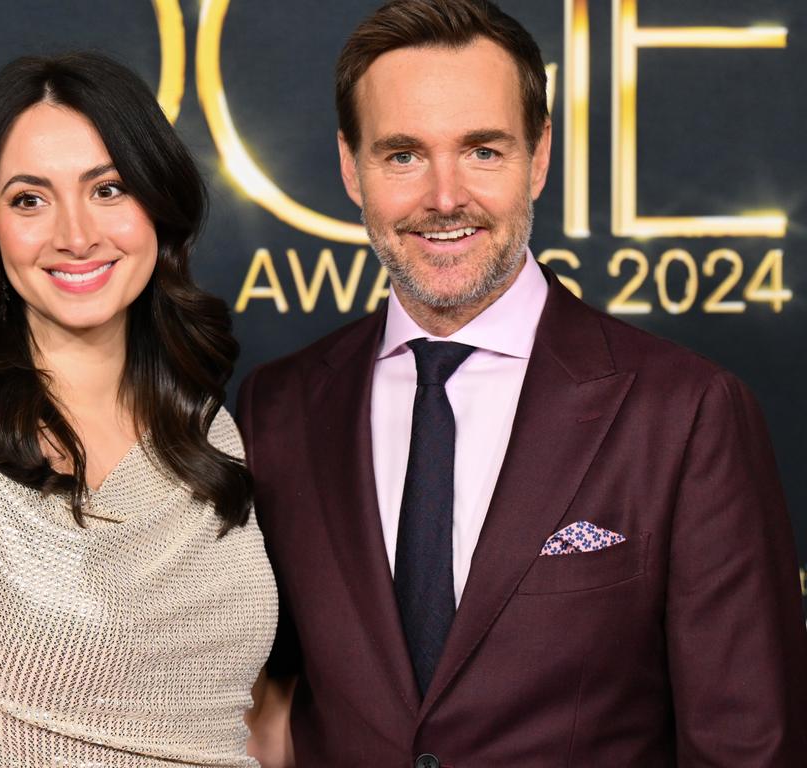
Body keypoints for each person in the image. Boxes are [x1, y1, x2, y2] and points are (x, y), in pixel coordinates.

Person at [237, 1, 807, 765]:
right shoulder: (277, 411)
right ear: (351, 167)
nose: (444, 197)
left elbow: (747, 746)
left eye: (483, 151)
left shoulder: (686, 414)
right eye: (402, 154)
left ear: (538, 157)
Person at [0, 52, 277, 767]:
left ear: (159, 201)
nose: (76, 234)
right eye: (29, 199)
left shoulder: (210, 433)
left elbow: (230, 722)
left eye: (109, 189)